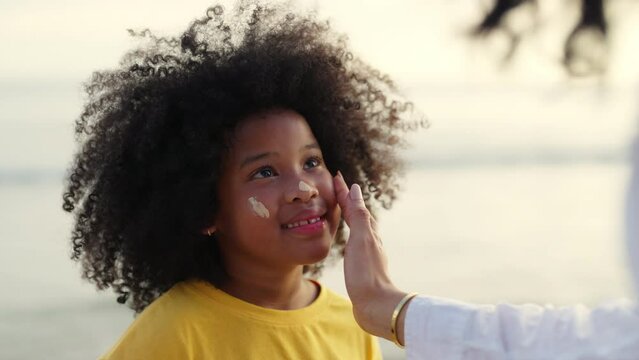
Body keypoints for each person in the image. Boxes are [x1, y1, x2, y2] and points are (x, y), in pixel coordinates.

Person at [61, 2, 416, 359]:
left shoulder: (355, 323)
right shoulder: (174, 335)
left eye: (312, 161)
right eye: (265, 172)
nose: (304, 189)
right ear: (205, 210)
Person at [334, 133, 639, 359]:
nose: (303, 189)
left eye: (311, 162)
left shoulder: (341, 324)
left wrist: (390, 307)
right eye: (281, 173)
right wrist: (390, 307)